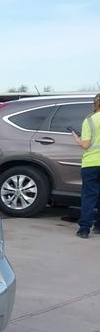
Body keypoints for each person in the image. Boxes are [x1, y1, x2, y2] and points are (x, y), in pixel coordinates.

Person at [71, 93, 100, 238]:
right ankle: (99, 226)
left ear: (95, 104)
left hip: (91, 163)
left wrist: (77, 139)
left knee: (89, 196)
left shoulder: (89, 120)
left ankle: (84, 229)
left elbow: (86, 145)